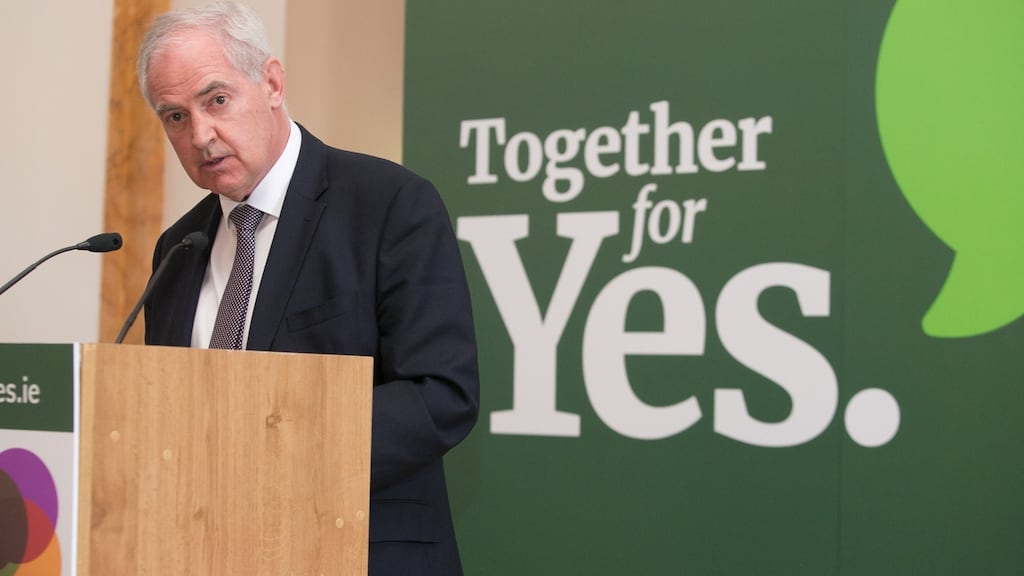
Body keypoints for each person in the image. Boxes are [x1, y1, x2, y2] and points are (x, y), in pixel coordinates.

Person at [136, 2, 480, 574]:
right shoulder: (179, 245)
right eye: (175, 117)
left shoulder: (388, 204)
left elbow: (441, 392)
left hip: (357, 550)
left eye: (216, 100)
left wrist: (267, 450)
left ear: (271, 82)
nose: (200, 135)